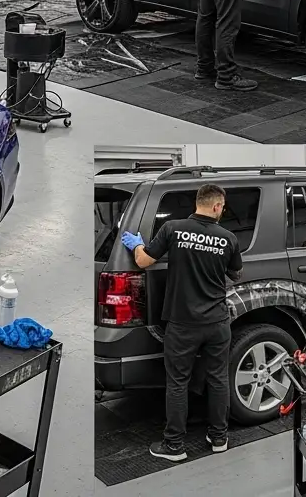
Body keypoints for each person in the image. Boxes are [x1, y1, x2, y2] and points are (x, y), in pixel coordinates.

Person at [121, 184, 244, 462]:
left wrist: (137, 244)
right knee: (217, 379)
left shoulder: (173, 229)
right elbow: (236, 275)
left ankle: (175, 446)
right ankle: (219, 438)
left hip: (182, 324)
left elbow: (143, 261)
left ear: (197, 203)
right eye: (222, 207)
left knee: (177, 382)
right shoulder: (228, 238)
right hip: (217, 322)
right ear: (216, 207)